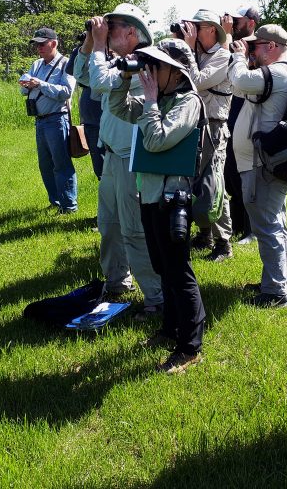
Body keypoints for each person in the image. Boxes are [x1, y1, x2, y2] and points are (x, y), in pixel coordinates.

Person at [109, 40, 206, 373]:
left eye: (155, 67)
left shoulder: (187, 102)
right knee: (162, 268)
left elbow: (156, 139)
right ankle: (169, 329)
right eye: (146, 66)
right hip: (149, 195)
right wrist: (124, 78)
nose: (148, 73)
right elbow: (119, 109)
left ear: (174, 71)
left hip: (172, 197)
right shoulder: (160, 98)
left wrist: (150, 102)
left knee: (179, 272)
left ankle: (190, 346)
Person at [72, 4, 164, 320]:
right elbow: (83, 74)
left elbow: (99, 82)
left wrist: (98, 45)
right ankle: (117, 283)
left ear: (132, 32)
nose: (107, 32)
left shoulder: (143, 60)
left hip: (132, 159)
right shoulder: (117, 61)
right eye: (105, 27)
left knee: (134, 231)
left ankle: (156, 297)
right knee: (108, 225)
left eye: (113, 27)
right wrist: (89, 42)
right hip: (112, 155)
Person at [227, 24, 287, 308]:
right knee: (275, 223)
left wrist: (237, 57)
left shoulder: (278, 71)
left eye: (255, 46)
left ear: (272, 47)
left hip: (263, 164)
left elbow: (240, 81)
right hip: (265, 162)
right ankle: (276, 279)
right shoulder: (275, 75)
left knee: (267, 226)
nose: (250, 50)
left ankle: (276, 292)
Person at [175, 9, 233, 261]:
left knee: (214, 183)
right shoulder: (198, 52)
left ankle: (224, 242)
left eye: (197, 26)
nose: (193, 31)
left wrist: (187, 48)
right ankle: (204, 235)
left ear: (212, 29)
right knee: (197, 181)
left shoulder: (223, 56)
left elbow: (196, 81)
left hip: (215, 126)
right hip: (196, 125)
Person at [19, 27, 78, 214]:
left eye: (42, 44)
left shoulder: (66, 64)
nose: (38, 48)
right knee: (45, 165)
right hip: (40, 120)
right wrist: (29, 85)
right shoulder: (36, 65)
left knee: (61, 164)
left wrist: (40, 85)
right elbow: (23, 90)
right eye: (36, 44)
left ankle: (69, 206)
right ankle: (56, 201)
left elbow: (66, 92)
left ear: (54, 43)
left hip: (57, 120)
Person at [220, 5, 262, 245]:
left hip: (250, 114)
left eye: (238, 20)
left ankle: (252, 229)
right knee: (231, 171)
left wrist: (227, 37)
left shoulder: (258, 45)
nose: (234, 24)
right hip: (232, 112)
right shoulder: (235, 45)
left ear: (251, 23)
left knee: (248, 173)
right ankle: (237, 224)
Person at [65, 35, 105, 179]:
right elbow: (71, 70)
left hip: (102, 122)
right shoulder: (87, 53)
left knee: (107, 168)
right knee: (99, 167)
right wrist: (85, 45)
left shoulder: (106, 58)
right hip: (90, 122)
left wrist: (98, 48)